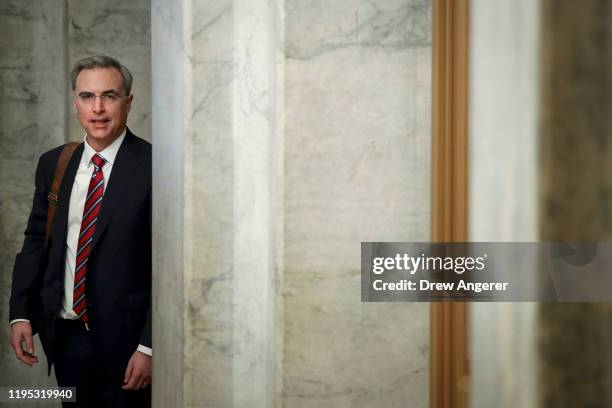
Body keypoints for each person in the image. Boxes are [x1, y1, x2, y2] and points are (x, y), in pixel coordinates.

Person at [8, 55, 152, 408]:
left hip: (128, 345)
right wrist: (21, 312)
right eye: (87, 96)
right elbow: (36, 241)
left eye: (110, 96)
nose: (98, 108)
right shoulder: (54, 164)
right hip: (66, 337)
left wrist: (149, 346)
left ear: (128, 102)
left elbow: (169, 267)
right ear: (76, 102)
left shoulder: (154, 166)